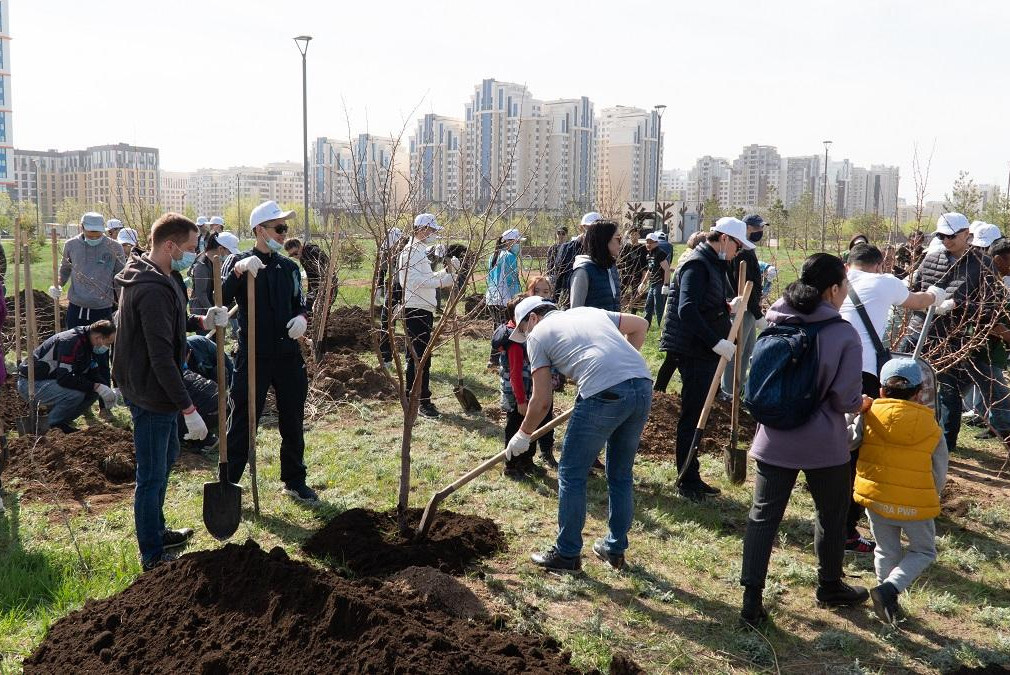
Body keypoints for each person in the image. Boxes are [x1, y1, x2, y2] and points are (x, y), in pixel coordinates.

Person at [739, 253, 869, 628]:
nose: (846, 293)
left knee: (762, 517)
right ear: (833, 289)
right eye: (845, 286)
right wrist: (861, 403)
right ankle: (830, 585)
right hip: (823, 444)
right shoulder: (842, 333)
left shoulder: (775, 322)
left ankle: (751, 601)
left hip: (773, 438)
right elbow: (845, 399)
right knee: (831, 514)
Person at [114, 212, 229, 571]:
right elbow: (161, 357)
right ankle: (151, 554)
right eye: (191, 247)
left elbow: (172, 323)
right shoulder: (149, 290)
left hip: (152, 384)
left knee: (166, 459)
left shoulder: (163, 276)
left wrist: (201, 321)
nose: (194, 254)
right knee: (151, 474)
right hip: (151, 390)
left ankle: (158, 530)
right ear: (169, 245)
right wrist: (189, 409)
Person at [505, 296, 652, 572]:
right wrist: (622, 373)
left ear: (533, 318)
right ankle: (614, 548)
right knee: (620, 475)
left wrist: (523, 434)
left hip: (604, 395)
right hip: (642, 386)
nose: (525, 336)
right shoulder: (588, 311)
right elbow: (641, 325)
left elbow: (542, 400)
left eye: (523, 329)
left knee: (571, 473)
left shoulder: (538, 336)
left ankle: (567, 554)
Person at [838, 242, 944, 554]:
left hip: (830, 369)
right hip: (863, 373)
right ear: (879, 264)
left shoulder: (839, 281)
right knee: (859, 446)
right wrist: (937, 296)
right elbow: (918, 300)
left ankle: (831, 519)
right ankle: (848, 527)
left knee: (837, 439)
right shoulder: (884, 281)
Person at [221, 200, 315, 502]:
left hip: (287, 355)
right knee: (243, 421)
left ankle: (294, 479)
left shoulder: (289, 267)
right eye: (279, 228)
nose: (283, 233)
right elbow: (219, 299)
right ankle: (228, 485)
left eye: (285, 228)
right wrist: (237, 272)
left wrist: (302, 318)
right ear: (259, 230)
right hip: (254, 356)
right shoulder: (240, 263)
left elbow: (301, 301)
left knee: (293, 418)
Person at [656, 217, 751, 500]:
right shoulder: (697, 265)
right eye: (737, 247)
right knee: (693, 414)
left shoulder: (713, 264)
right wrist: (716, 342)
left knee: (700, 413)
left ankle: (692, 475)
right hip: (694, 350)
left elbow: (704, 304)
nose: (737, 253)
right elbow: (687, 310)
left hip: (703, 349)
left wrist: (725, 306)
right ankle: (686, 478)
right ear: (724, 239)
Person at [852, 358, 947, 624]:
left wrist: (856, 412)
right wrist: (932, 494)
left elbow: (849, 442)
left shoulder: (870, 414)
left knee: (885, 549)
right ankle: (890, 590)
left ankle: (886, 601)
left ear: (882, 390)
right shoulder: (931, 425)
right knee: (923, 551)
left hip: (877, 497)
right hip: (916, 503)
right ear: (919, 393)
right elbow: (939, 469)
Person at [908, 213, 1003, 453]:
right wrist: (920, 303)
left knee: (948, 391)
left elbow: (990, 303)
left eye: (950, 236)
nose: (946, 241)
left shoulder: (983, 264)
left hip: (954, 336)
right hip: (922, 330)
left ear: (966, 234)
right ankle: (913, 436)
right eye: (941, 236)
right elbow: (915, 288)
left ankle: (945, 445)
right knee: (912, 385)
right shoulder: (930, 258)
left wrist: (957, 306)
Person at [396, 214, 459, 418]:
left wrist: (444, 274)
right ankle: (419, 401)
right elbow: (411, 282)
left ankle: (416, 397)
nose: (433, 235)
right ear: (422, 229)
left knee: (422, 357)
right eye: (431, 231)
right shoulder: (410, 252)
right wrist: (443, 281)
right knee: (418, 358)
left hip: (424, 309)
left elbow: (425, 277)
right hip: (415, 310)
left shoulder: (418, 251)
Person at [493, 295, 557, 475]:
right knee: (515, 428)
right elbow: (515, 375)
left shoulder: (530, 337)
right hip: (518, 397)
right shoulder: (515, 344)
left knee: (531, 426)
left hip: (532, 393)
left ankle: (527, 461)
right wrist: (521, 400)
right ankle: (511, 465)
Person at [16, 320, 118, 433]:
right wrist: (96, 386)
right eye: (108, 343)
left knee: (93, 393)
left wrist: (106, 389)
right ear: (99, 337)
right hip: (31, 383)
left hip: (51, 381)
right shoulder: (71, 342)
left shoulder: (89, 342)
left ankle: (60, 422)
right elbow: (64, 378)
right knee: (75, 395)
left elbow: (93, 372)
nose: (107, 347)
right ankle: (49, 426)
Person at [720, 214, 768, 399]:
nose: (760, 232)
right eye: (757, 228)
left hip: (749, 308)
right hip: (742, 307)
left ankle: (737, 389)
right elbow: (748, 284)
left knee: (747, 350)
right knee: (736, 353)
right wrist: (758, 315)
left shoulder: (747, 250)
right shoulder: (742, 252)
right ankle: (728, 392)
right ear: (746, 228)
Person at [51, 212, 126, 330]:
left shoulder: (114, 247)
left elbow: (120, 278)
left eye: (98, 235)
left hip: (103, 308)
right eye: (91, 235)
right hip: (77, 308)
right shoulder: (71, 245)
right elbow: (65, 269)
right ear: (82, 228)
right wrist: (58, 285)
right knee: (76, 346)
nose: (95, 238)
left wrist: (123, 305)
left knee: (100, 347)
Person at [570, 220, 621, 311]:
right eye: (618, 238)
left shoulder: (611, 268)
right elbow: (575, 312)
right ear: (604, 239)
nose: (620, 243)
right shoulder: (583, 271)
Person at [553, 212, 603, 306]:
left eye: (596, 228)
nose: (592, 231)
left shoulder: (604, 251)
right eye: (588, 227)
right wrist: (555, 299)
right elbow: (559, 274)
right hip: (570, 296)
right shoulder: (568, 248)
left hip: (595, 299)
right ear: (582, 227)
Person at [189, 232, 240, 314]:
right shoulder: (202, 265)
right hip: (201, 312)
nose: (230, 256)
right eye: (229, 253)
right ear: (220, 249)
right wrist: (214, 312)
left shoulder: (215, 262)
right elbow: (201, 294)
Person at [375, 227, 405, 368]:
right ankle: (386, 358)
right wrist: (379, 287)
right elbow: (382, 269)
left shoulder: (407, 252)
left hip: (408, 290)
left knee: (409, 326)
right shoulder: (387, 252)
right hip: (393, 288)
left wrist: (401, 301)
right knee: (385, 322)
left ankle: (411, 360)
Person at [485, 228, 524, 327]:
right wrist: (517, 299)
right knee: (506, 329)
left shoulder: (493, 256)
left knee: (497, 328)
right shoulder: (510, 257)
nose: (518, 245)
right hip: (505, 300)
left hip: (491, 298)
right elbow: (512, 282)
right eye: (517, 242)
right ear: (508, 242)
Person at [284, 236, 331, 311]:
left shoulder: (314, 252)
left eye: (295, 253)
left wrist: (322, 290)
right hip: (315, 287)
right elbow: (311, 277)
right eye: (291, 255)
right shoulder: (302, 257)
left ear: (300, 246)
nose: (295, 256)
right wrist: (310, 292)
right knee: (308, 309)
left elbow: (327, 271)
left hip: (327, 285)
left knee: (322, 312)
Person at [638, 232, 671, 328]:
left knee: (659, 307)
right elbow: (650, 270)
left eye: (651, 242)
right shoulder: (649, 254)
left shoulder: (660, 253)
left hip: (660, 283)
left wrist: (665, 284)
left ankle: (662, 328)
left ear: (656, 243)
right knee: (648, 306)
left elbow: (667, 269)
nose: (648, 244)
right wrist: (643, 283)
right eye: (647, 242)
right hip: (652, 283)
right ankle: (645, 326)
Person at [617, 225, 647, 311]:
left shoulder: (642, 248)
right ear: (629, 235)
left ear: (639, 235)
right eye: (632, 234)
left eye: (636, 234)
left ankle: (633, 312)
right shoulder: (626, 247)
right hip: (626, 274)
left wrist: (643, 278)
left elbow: (644, 264)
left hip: (637, 274)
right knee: (620, 292)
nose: (634, 236)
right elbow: (620, 262)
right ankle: (619, 309)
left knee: (635, 294)